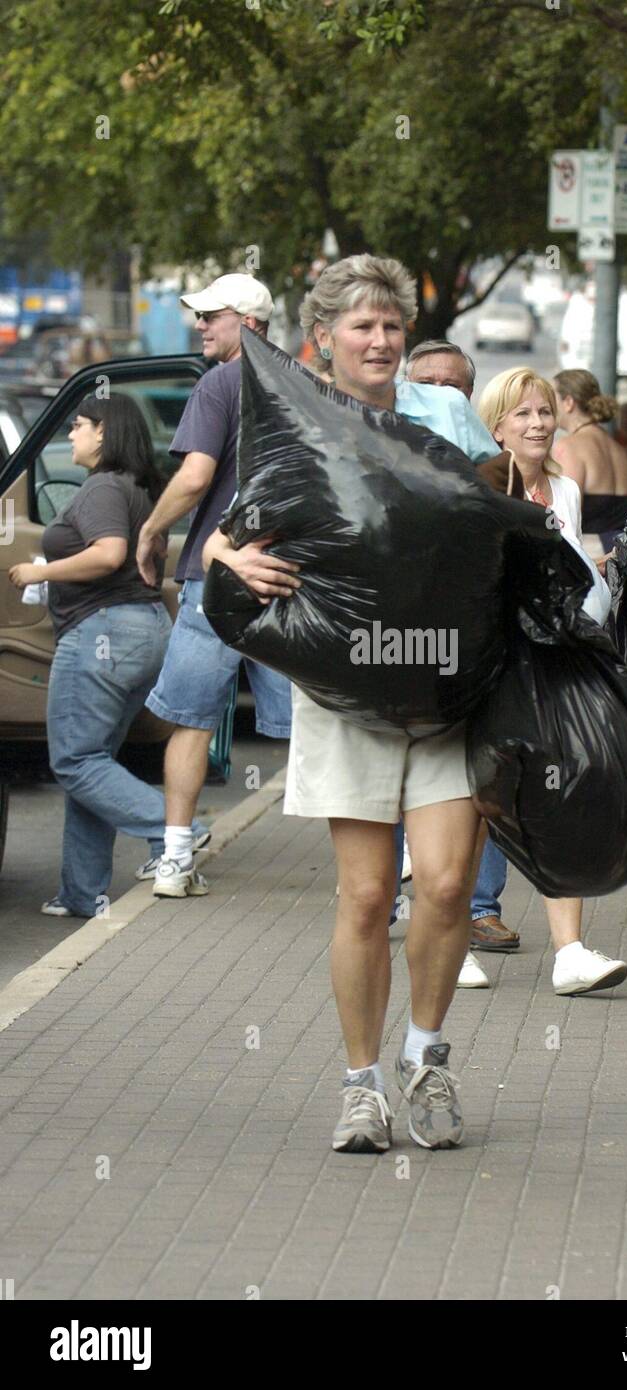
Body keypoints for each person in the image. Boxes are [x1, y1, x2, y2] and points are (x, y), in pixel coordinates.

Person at [204, 254, 498, 1154]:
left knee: (446, 885)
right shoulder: (292, 422)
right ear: (321, 339)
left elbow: (496, 512)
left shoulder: (442, 412)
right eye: (361, 326)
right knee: (368, 897)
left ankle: (428, 1056)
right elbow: (227, 531)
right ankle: (361, 1084)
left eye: (390, 325)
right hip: (347, 693)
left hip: (452, 688)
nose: (379, 340)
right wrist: (231, 562)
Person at [9, 395, 206, 918]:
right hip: (141, 632)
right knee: (92, 760)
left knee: (74, 760)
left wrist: (40, 572)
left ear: (105, 433)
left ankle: (178, 833)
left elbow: (109, 553)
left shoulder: (100, 487)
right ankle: (80, 892)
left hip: (103, 636)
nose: (70, 434)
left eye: (77, 425)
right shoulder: (138, 489)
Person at [135, 274, 293, 899]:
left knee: (192, 720)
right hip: (290, 577)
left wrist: (151, 529)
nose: (200, 326)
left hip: (218, 575)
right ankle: (374, 878)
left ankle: (174, 860)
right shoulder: (304, 383)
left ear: (247, 324)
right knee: (325, 725)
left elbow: (197, 477)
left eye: (211, 317)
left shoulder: (220, 383)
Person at [476, 366, 627, 996]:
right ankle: (454, 935)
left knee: (559, 799)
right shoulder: (483, 486)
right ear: (497, 426)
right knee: (479, 805)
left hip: (557, 665)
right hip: (492, 668)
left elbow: (571, 575)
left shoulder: (565, 490)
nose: (538, 423)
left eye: (543, 412)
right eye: (522, 415)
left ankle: (569, 954)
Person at [405, 340, 521, 986]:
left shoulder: (491, 468)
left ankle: (476, 910)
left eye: (455, 385)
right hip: (395, 650)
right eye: (429, 385)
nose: (442, 395)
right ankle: (424, 899)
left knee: (480, 780)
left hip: (471, 648)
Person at [552, 369, 627, 555]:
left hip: (591, 559)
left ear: (568, 403)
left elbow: (566, 517)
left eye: (552, 398)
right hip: (623, 557)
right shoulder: (618, 450)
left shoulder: (569, 448)